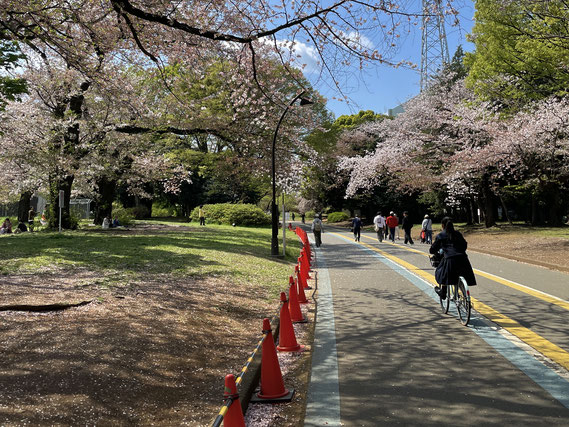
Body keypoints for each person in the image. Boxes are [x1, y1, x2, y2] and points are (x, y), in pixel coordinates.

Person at [429, 217, 477, 299]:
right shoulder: (458, 234)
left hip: (450, 259)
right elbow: (464, 245)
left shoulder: (441, 235)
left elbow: (432, 249)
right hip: (463, 259)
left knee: (441, 272)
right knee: (460, 274)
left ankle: (443, 292)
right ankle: (465, 297)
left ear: (442, 225)